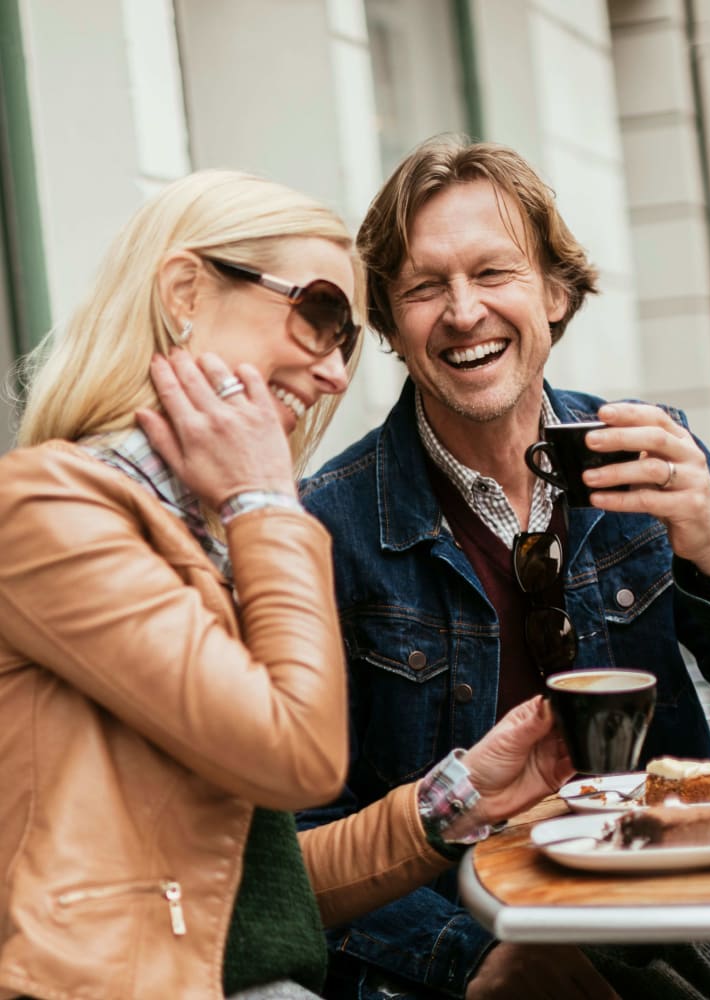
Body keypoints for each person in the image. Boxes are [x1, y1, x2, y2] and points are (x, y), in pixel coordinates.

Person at [0, 167, 575, 1000]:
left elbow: (265, 894)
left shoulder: (200, 536)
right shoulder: (50, 509)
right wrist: (264, 498)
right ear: (186, 292)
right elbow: (299, 754)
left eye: (347, 337)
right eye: (319, 314)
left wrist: (463, 795)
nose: (337, 372)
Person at [298, 135, 710, 1000]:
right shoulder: (327, 525)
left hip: (671, 903)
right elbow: (302, 842)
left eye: (495, 273)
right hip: (458, 943)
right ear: (389, 320)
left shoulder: (649, 452)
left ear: (556, 290)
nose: (463, 312)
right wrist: (477, 957)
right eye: (425, 286)